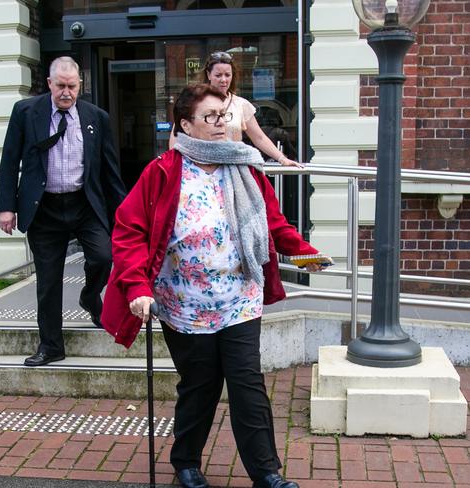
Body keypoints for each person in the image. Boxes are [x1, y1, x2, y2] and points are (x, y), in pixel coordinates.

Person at [102, 84, 328, 488]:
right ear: (186, 124)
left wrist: (304, 253)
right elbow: (129, 231)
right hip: (184, 306)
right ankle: (186, 462)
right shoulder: (163, 172)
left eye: (224, 115)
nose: (222, 123)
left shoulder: (245, 166)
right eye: (211, 117)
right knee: (199, 387)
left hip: (239, 298)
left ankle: (266, 473)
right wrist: (136, 286)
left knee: (248, 385)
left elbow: (271, 223)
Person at [0, 56, 126, 367]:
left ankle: (90, 297)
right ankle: (51, 345)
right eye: (61, 86)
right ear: (50, 84)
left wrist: (124, 213)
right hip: (45, 208)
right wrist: (6, 207)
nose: (66, 92)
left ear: (80, 85)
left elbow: (110, 171)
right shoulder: (26, 112)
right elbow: (9, 159)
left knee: (103, 257)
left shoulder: (96, 117)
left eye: (72, 86)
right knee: (49, 280)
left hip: (84, 204)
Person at [169, 51, 301, 168]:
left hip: (233, 168)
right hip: (200, 167)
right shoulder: (194, 102)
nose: (224, 80)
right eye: (218, 75)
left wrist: (282, 158)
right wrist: (174, 165)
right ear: (209, 74)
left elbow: (259, 137)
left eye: (227, 75)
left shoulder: (241, 104)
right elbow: (177, 135)